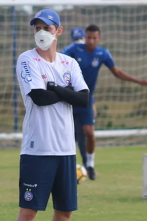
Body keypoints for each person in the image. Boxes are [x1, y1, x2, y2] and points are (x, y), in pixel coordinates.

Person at [13, 9, 91, 221]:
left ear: (59, 31)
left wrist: (56, 88)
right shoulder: (27, 59)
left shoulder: (69, 63)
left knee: (65, 211)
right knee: (29, 211)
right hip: (37, 148)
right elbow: (38, 97)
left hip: (66, 150)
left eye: (47, 27)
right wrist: (62, 92)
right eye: (37, 27)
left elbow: (83, 99)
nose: (41, 32)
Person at [62, 24, 147, 180]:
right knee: (66, 136)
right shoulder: (73, 50)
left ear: (99, 38)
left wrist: (138, 81)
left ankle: (90, 164)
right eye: (88, 37)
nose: (90, 41)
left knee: (90, 133)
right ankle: (65, 169)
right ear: (85, 37)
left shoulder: (102, 54)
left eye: (94, 38)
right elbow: (57, 61)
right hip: (69, 98)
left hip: (86, 99)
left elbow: (117, 72)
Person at [62, 27, 88, 167]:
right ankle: (86, 163)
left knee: (71, 133)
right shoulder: (89, 51)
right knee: (82, 133)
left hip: (70, 95)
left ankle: (78, 164)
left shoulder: (67, 51)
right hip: (81, 96)